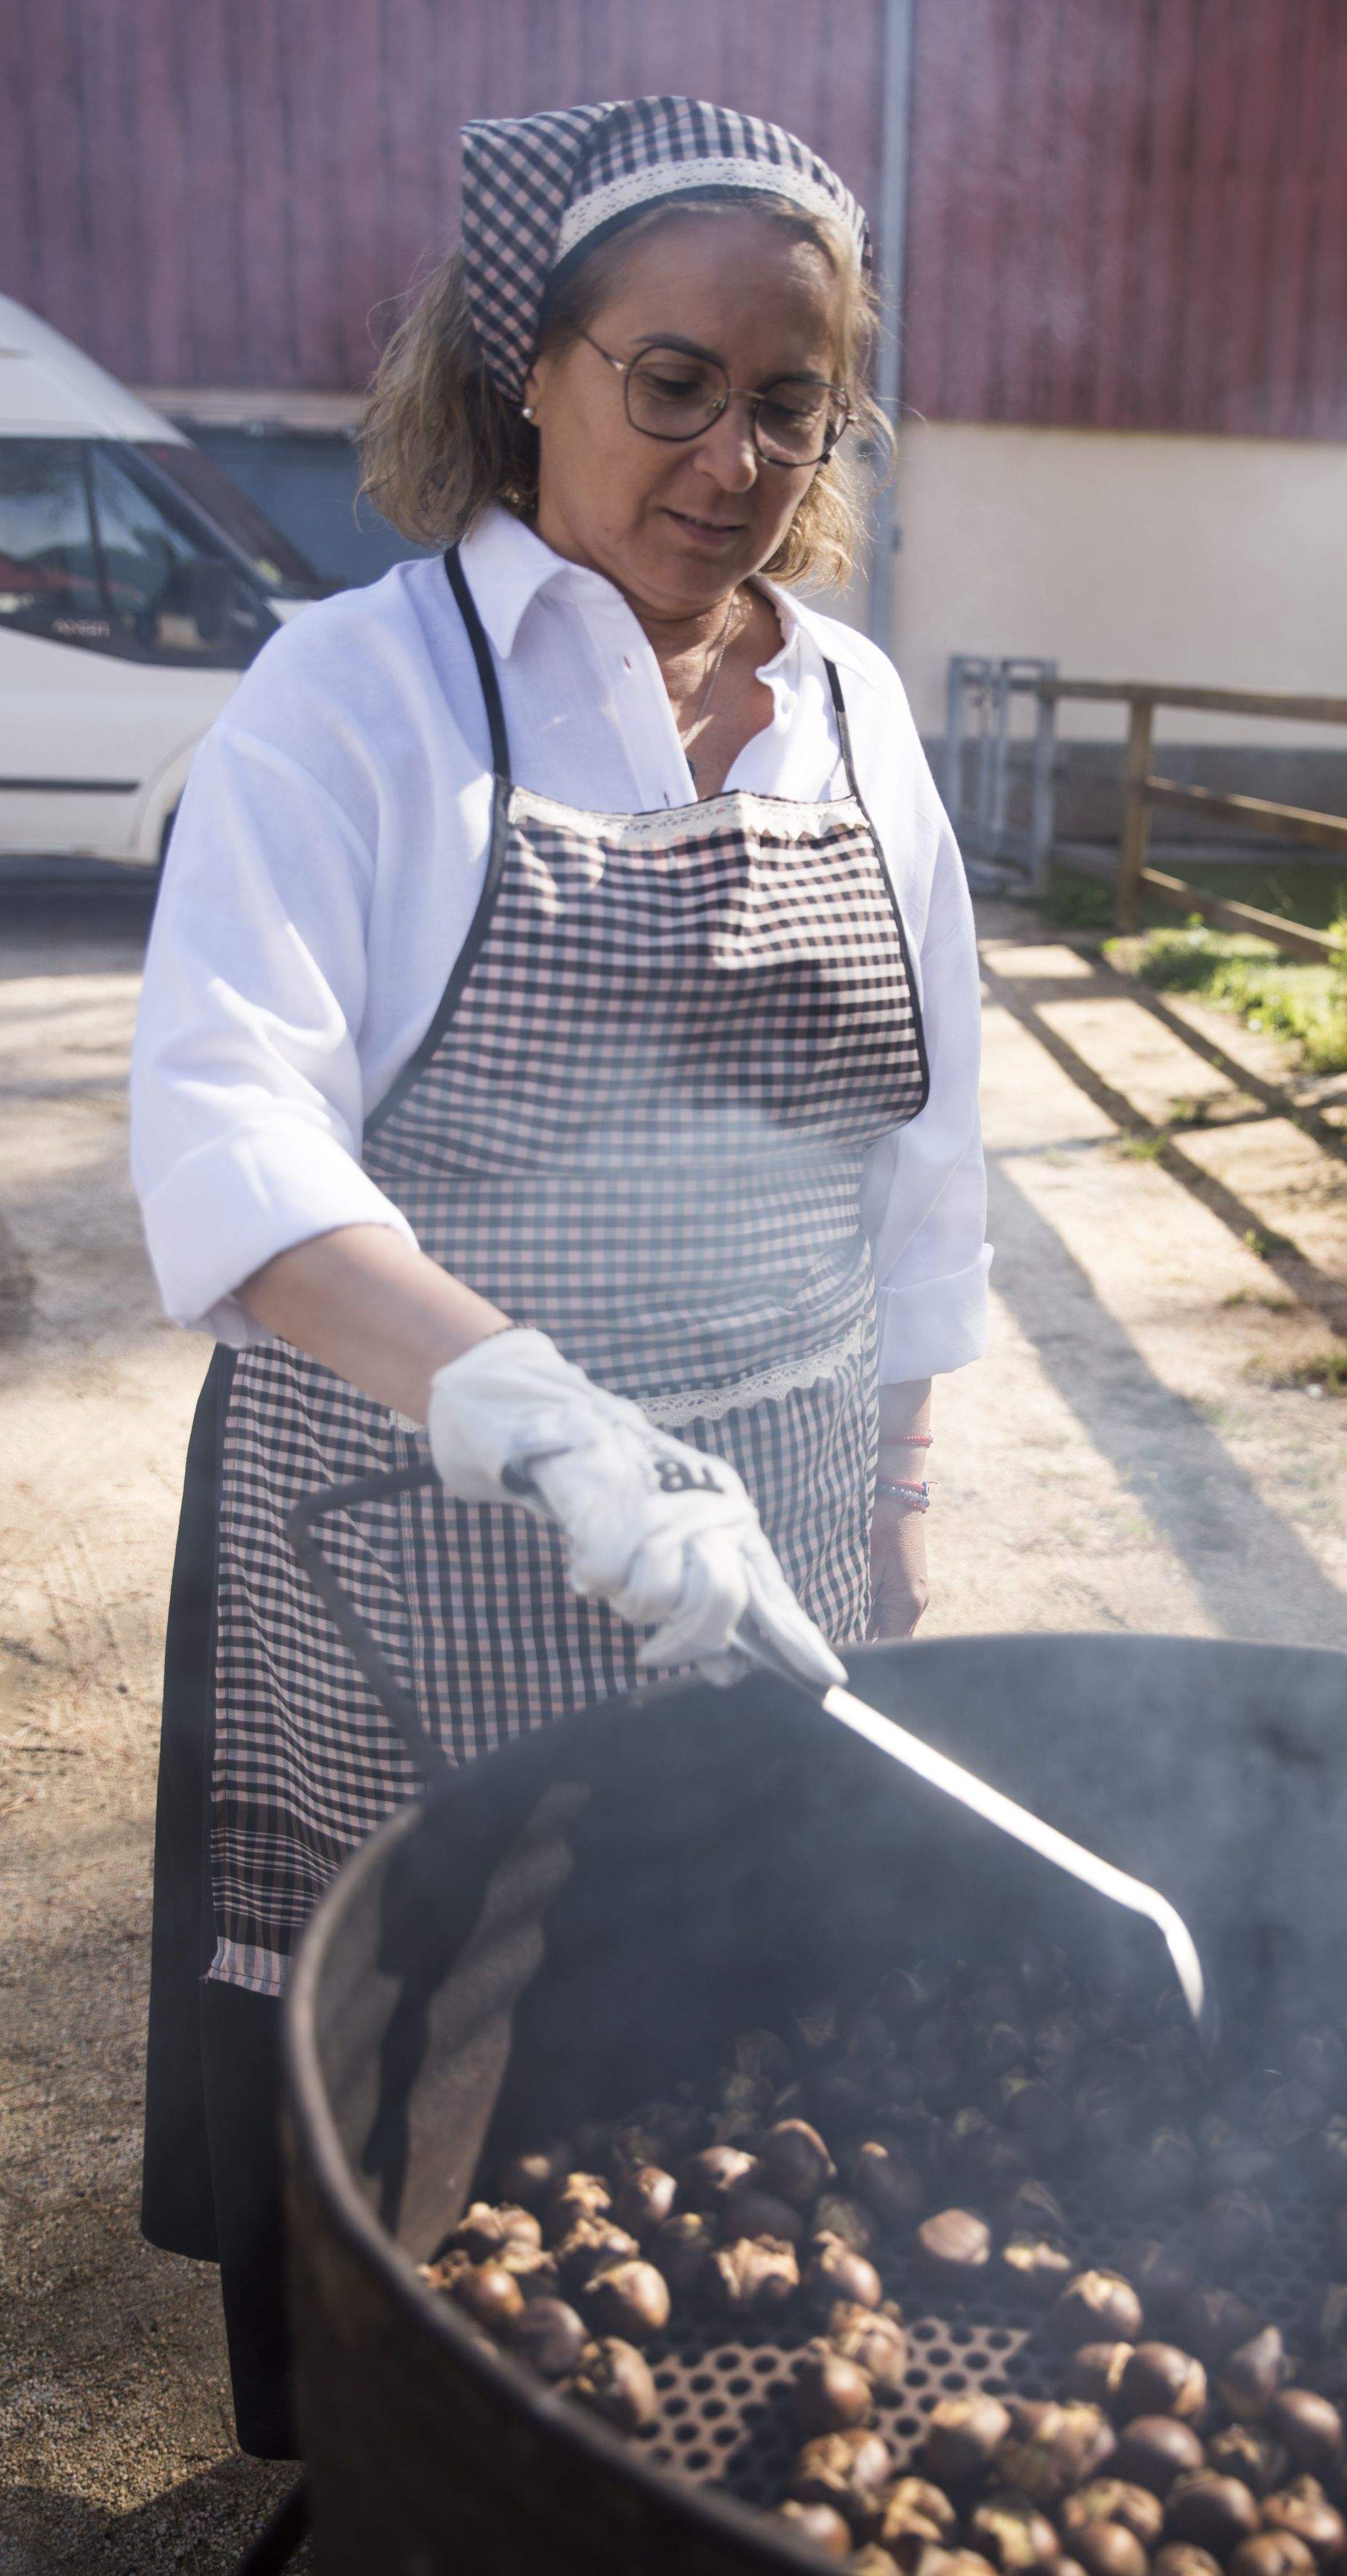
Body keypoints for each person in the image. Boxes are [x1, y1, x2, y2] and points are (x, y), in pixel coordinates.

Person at [129, 96, 990, 2455]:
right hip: (427, 1541)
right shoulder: (363, 693)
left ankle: (645, 2453)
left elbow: (926, 1153)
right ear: (536, 362)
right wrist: (542, 1415)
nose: (736, 456)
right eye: (677, 382)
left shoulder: (855, 708)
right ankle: (411, 2468)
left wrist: (899, 1488)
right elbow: (227, 1138)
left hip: (773, 1526)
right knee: (423, 2055)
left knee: (702, 2047)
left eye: (794, 398)